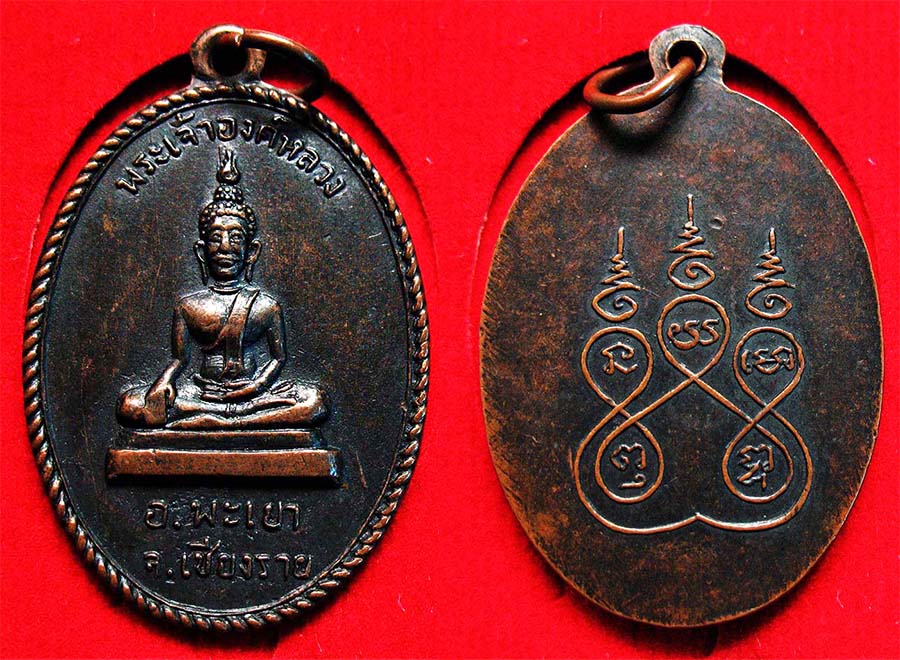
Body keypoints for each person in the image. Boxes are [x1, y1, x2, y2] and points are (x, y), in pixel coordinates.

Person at [117, 147, 327, 430]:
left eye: (236, 238)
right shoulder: (189, 306)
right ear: (201, 251)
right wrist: (164, 381)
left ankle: (219, 419)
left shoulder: (266, 306)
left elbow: (278, 359)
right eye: (216, 238)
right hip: (201, 392)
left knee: (314, 402)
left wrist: (253, 388)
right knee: (131, 404)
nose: (225, 247)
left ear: (251, 251)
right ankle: (235, 420)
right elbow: (179, 359)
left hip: (255, 394)